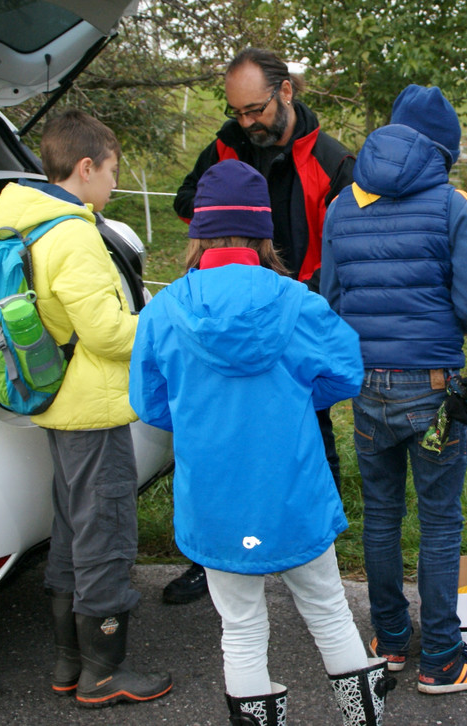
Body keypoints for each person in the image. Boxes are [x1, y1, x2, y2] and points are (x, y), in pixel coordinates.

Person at [130, 160, 394, 725]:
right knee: (327, 610)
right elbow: (346, 373)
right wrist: (296, 395)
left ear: (198, 229)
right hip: (293, 490)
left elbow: (151, 404)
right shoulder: (298, 302)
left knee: (241, 628)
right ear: (263, 230)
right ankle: (363, 720)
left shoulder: (164, 309)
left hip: (216, 499)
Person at [0, 110, 171, 708]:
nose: (115, 184)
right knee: (105, 535)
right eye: (112, 172)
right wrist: (165, 325)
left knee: (71, 530)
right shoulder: (73, 234)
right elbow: (110, 334)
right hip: (92, 408)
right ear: (85, 167)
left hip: (57, 402)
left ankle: (69, 661)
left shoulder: (20, 225)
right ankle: (104, 672)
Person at [319, 85, 467, 694]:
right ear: (442, 152)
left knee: (380, 517)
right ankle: (444, 658)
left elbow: (332, 301)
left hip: (368, 387)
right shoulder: (450, 206)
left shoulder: (342, 205)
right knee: (440, 522)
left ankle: (391, 641)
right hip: (432, 389)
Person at [165, 46, 355, 606]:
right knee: (220, 435)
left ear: (287, 92)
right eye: (238, 111)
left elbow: (355, 231)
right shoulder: (228, 142)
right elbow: (186, 200)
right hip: (228, 307)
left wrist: (318, 286)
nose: (246, 122)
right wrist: (220, 241)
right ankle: (212, 559)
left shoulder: (332, 158)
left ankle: (318, 547)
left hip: (299, 305)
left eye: (255, 110)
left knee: (311, 430)